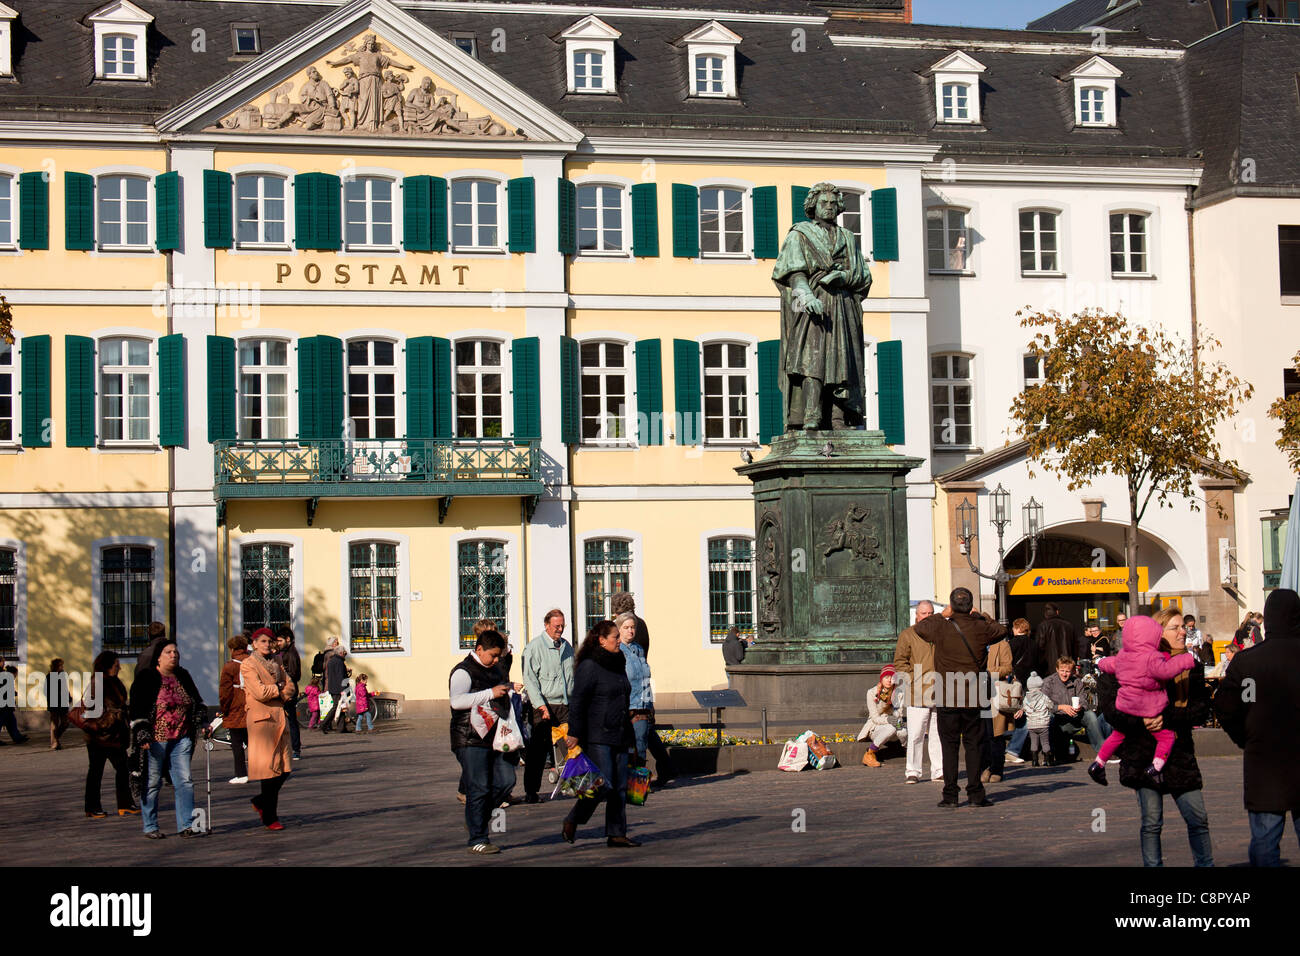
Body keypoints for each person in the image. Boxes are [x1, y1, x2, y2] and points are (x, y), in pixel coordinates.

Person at [1098, 609, 1214, 867]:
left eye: (1183, 626)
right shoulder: (1128, 662)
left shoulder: (1189, 664)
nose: (1183, 631)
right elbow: (1112, 710)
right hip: (1143, 755)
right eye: (1175, 627)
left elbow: (1201, 709)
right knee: (1151, 822)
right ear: (1158, 632)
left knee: (1198, 819)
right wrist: (1142, 720)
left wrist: (1166, 717)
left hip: (1179, 754)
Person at [771, 182, 871, 430]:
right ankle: (811, 415)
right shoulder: (800, 234)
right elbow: (793, 273)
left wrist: (844, 277)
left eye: (833, 203)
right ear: (813, 205)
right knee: (811, 361)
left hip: (842, 306)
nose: (828, 207)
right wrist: (806, 297)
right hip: (811, 305)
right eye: (823, 203)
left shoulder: (847, 237)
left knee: (841, 363)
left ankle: (838, 418)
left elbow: (863, 275)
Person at [1215, 588, 1300, 866]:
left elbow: (1225, 708)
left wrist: (1246, 737)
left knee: (1265, 844)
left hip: (1265, 760)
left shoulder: (1247, 661)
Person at [913, 588, 1006, 808]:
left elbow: (920, 628)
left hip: (947, 695)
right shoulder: (981, 626)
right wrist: (980, 614)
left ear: (952, 605)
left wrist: (943, 613)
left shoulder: (940, 626)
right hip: (973, 695)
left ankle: (950, 795)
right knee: (974, 745)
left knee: (950, 746)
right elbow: (1001, 630)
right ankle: (975, 794)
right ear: (971, 605)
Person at [1087, 616, 1197, 787]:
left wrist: (1100, 662)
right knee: (1166, 737)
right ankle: (1155, 767)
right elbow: (1166, 671)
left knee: (1117, 735)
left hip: (1126, 704)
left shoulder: (1123, 656)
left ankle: (1098, 763)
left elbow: (1110, 664)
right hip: (1147, 706)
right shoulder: (1152, 658)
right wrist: (1186, 660)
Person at [562, 621, 639, 847]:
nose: (618, 640)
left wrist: (632, 738)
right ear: (601, 640)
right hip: (598, 734)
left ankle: (616, 833)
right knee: (601, 784)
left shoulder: (618, 662)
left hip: (621, 732)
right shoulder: (589, 665)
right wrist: (574, 732)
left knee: (621, 787)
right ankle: (574, 818)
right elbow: (578, 701)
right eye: (615, 636)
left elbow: (624, 698)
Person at [449, 629, 519, 855]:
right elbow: (457, 701)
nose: (497, 660)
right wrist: (490, 692)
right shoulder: (462, 671)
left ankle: (475, 817)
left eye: (500, 656)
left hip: (497, 736)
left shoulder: (496, 669)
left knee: (506, 780)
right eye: (493, 655)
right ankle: (478, 838)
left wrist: (510, 689)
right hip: (469, 738)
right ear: (479, 649)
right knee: (479, 787)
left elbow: (499, 692)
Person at [128, 640, 206, 839]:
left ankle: (186, 825)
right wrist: (141, 732)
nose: (174, 655)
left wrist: (202, 720)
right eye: (169, 652)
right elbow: (137, 708)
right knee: (152, 782)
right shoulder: (147, 677)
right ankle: (150, 826)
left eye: (176, 652)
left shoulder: (183, 675)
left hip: (181, 738)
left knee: (185, 781)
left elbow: (196, 701)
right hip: (155, 739)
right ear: (158, 656)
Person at [242, 627, 296, 831]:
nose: (266, 645)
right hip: (261, 721)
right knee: (269, 769)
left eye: (269, 641)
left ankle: (261, 801)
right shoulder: (248, 664)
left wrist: (281, 691)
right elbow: (259, 692)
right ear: (254, 643)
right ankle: (270, 816)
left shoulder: (277, 661)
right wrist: (279, 688)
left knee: (284, 768)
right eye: (262, 641)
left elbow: (291, 686)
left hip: (279, 717)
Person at [520, 609, 574, 804]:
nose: (560, 630)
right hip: (543, 705)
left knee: (572, 746)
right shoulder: (534, 648)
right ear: (546, 625)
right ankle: (531, 791)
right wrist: (540, 706)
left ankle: (577, 785)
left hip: (564, 704)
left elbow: (571, 677)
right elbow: (530, 679)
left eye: (562, 626)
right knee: (538, 752)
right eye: (556, 626)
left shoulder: (567, 647)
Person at [892, 600, 944, 784]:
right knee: (915, 734)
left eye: (930, 613)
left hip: (938, 689)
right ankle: (912, 771)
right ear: (917, 615)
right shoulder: (908, 634)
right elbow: (900, 661)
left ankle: (938, 770)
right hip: (917, 691)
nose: (927, 617)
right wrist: (913, 679)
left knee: (938, 733)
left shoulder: (940, 634)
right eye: (924, 614)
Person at [82, 651, 137, 818]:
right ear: (107, 666)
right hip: (99, 736)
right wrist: (112, 717)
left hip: (115, 735)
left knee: (123, 769)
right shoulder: (97, 682)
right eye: (116, 664)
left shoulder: (114, 681)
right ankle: (92, 807)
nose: (119, 667)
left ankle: (125, 804)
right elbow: (92, 708)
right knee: (96, 772)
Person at [1042, 655, 1112, 763]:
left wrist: (1080, 707)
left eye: (1067, 671)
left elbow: (1084, 702)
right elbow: (1043, 704)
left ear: (1073, 671)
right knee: (1048, 718)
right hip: (1058, 720)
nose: (1064, 674)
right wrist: (1060, 707)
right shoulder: (1048, 682)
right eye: (1062, 670)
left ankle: (1103, 753)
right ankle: (1049, 753)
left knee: (1090, 715)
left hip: (1074, 717)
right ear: (1057, 669)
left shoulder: (1077, 682)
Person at [617, 612, 656, 769]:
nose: (630, 631)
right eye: (626, 627)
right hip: (627, 707)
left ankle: (638, 784)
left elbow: (646, 678)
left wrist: (651, 703)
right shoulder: (617, 651)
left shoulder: (639, 649)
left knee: (641, 746)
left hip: (642, 706)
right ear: (619, 629)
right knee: (625, 747)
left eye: (632, 627)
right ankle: (624, 781)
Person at [859, 665, 907, 766]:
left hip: (894, 723)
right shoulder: (872, 693)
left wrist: (897, 719)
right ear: (881, 678)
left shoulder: (899, 693)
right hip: (876, 727)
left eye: (892, 678)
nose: (889, 680)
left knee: (903, 732)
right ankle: (869, 754)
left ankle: (909, 751)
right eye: (886, 677)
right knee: (891, 728)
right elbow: (875, 718)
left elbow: (899, 713)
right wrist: (888, 719)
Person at [218, 633, 250, 784]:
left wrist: (224, 709)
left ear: (232, 649)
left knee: (236, 743)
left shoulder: (229, 666)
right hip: (252, 705)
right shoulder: (252, 662)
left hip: (235, 706)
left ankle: (241, 774)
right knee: (254, 741)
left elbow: (225, 691)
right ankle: (264, 769)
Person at [982, 636, 1014, 782]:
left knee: (996, 733)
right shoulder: (971, 640)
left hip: (995, 691)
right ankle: (984, 768)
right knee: (981, 734)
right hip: (976, 691)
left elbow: (1008, 667)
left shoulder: (1001, 644)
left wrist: (989, 672)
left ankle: (997, 769)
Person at [1003, 617, 1033, 765]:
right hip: (1030, 683)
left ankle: (1011, 749)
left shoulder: (1011, 644)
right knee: (1024, 714)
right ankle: (1013, 749)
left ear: (1016, 629)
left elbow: (1007, 663)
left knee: (1013, 715)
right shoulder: (1033, 644)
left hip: (1014, 683)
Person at [276, 626, 302, 760]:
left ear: (288, 639)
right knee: (288, 720)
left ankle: (295, 749)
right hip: (286, 689)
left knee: (290, 720)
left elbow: (293, 674)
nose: (278, 643)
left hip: (288, 690)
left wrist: (282, 678)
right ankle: (293, 748)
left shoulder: (290, 654)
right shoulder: (286, 652)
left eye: (280, 640)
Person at [1020, 673, 1054, 767]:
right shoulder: (1044, 697)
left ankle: (1034, 761)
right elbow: (1051, 706)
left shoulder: (1026, 698)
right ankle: (1047, 761)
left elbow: (1024, 708)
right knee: (1045, 742)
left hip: (1031, 725)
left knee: (1034, 743)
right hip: (1043, 724)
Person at [1035, 603, 1079, 675]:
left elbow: (1039, 647)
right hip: (1066, 664)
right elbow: (1075, 647)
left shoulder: (1043, 626)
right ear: (1057, 612)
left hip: (1049, 666)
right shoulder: (1069, 625)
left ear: (1045, 613)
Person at [321, 646, 349, 733]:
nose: (345, 654)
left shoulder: (331, 661)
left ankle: (341, 727)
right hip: (338, 688)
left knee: (341, 707)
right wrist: (343, 689)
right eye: (344, 652)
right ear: (340, 653)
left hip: (333, 687)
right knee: (336, 706)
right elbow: (340, 676)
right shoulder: (339, 662)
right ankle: (323, 724)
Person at [46, 658, 69, 750]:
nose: (62, 667)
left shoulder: (63, 675)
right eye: (60, 665)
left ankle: (55, 739)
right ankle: (54, 743)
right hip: (54, 702)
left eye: (62, 665)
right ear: (56, 666)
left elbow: (64, 688)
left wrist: (69, 696)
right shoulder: (49, 676)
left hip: (63, 702)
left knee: (65, 722)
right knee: (54, 723)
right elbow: (47, 690)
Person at [0, 662, 26, 743]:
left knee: (11, 722)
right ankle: (17, 737)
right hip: (4, 706)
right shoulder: (6, 678)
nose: (16, 676)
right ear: (13, 673)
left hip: (7, 706)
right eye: (16, 674)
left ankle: (17, 738)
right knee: (2, 722)